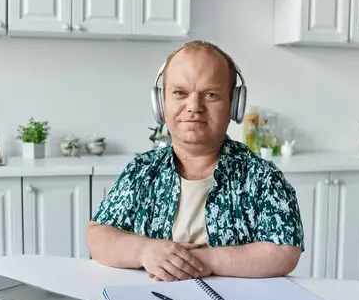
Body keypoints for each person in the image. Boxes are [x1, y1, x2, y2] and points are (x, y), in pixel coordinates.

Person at [87, 40, 304, 282]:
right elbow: (98, 236)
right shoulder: (141, 171)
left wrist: (206, 261)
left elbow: (285, 250)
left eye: (211, 94)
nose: (194, 106)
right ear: (160, 104)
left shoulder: (262, 177)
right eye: (180, 93)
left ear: (234, 106)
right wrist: (143, 250)